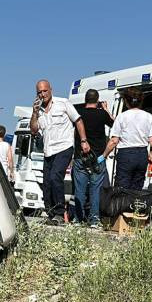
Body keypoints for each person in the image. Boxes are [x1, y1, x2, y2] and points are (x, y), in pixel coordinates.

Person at [30, 79, 90, 224]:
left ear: (51, 90)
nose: (43, 94)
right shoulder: (38, 111)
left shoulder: (63, 103)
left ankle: (59, 212)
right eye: (39, 92)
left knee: (55, 176)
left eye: (45, 91)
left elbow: (78, 120)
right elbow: (33, 129)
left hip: (64, 147)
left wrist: (83, 140)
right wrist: (34, 113)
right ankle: (50, 213)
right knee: (46, 182)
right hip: (48, 150)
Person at [103, 88, 152, 191]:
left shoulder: (122, 117)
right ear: (141, 101)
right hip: (142, 155)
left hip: (126, 154)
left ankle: (123, 206)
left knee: (122, 187)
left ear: (126, 102)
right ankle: (135, 206)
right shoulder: (148, 116)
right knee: (137, 187)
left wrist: (104, 155)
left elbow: (114, 141)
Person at [72, 88, 113, 226]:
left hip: (80, 156)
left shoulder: (79, 114)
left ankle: (78, 218)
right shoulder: (102, 114)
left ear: (85, 99)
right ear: (97, 100)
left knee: (80, 189)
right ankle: (94, 219)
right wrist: (106, 109)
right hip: (98, 157)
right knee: (95, 189)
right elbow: (114, 123)